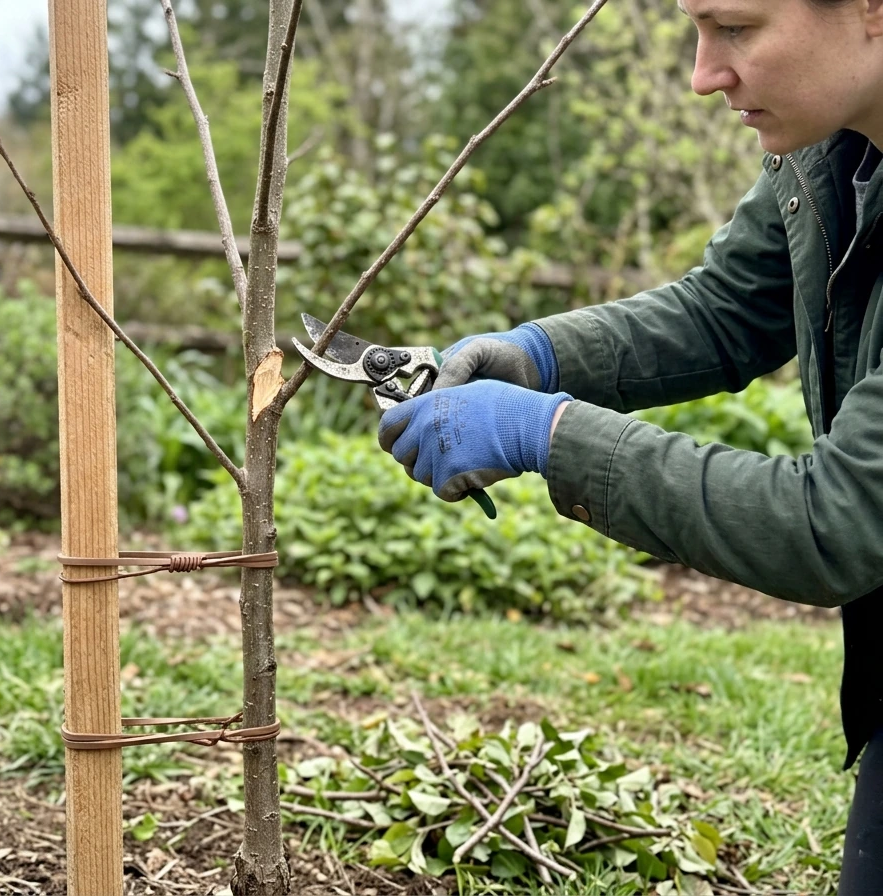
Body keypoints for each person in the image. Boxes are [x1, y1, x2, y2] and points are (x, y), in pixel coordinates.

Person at [376, 0, 883, 890]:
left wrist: (547, 434)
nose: (703, 74)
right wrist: (539, 356)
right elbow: (728, 309)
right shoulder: (832, 147)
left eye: (737, 27)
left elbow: (834, 522)